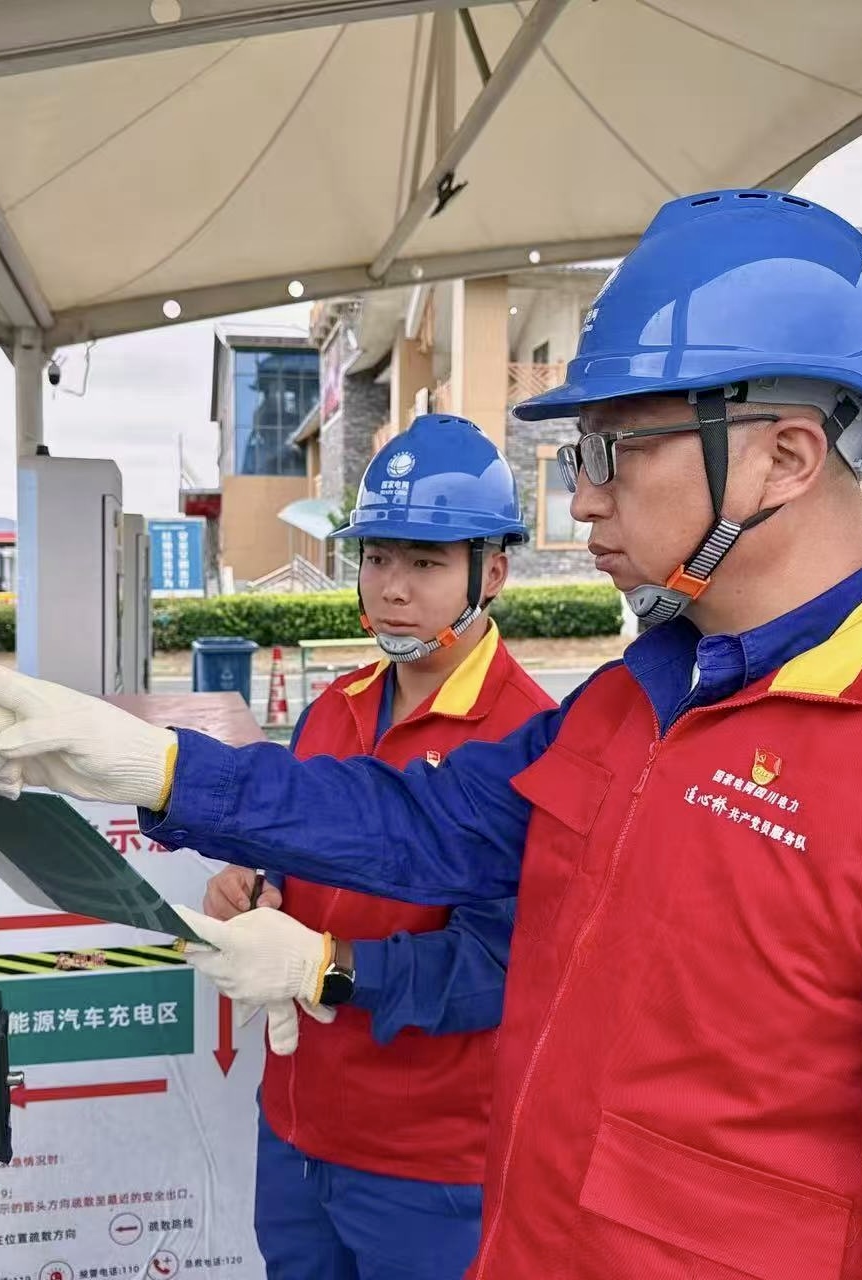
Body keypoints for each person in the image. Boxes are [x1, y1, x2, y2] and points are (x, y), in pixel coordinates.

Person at [0, 189, 862, 1279]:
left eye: (613, 448)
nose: (582, 494)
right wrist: (159, 766)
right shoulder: (632, 703)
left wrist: (332, 965)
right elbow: (418, 826)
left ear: (783, 455)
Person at [186, 414, 554, 1280]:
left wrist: (327, 966)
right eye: (378, 557)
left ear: (493, 572)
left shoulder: (532, 739)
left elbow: (495, 967)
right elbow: (290, 855)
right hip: (296, 1128)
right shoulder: (334, 706)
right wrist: (255, 885)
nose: (392, 588)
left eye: (425, 564)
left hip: (430, 1167)